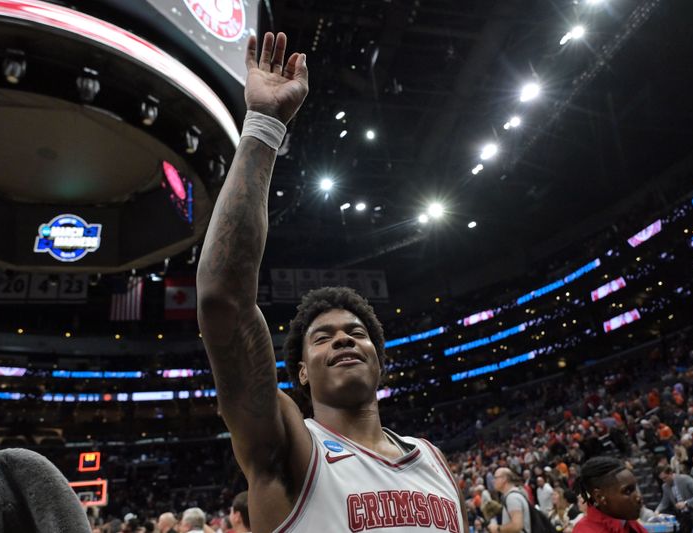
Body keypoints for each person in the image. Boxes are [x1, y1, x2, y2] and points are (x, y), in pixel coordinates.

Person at [197, 31, 466, 533]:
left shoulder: (434, 461)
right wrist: (264, 125)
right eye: (323, 337)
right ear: (300, 374)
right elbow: (224, 301)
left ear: (380, 359)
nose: (343, 337)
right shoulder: (289, 446)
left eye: (356, 332)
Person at [572, 456, 646, 533]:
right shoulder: (585, 530)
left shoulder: (629, 523)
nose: (638, 497)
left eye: (635, 488)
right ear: (599, 496)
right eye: (627, 491)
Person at [656, 465, 693, 531]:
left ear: (671, 473)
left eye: (665, 478)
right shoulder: (665, 486)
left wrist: (686, 503)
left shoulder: (686, 479)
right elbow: (664, 502)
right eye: (662, 479)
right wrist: (657, 510)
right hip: (685, 518)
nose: (664, 481)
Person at [490, 468, 531, 533]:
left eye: (495, 478)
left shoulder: (512, 498)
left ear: (504, 479)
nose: (493, 481)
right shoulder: (513, 495)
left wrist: (497, 528)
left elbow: (517, 526)